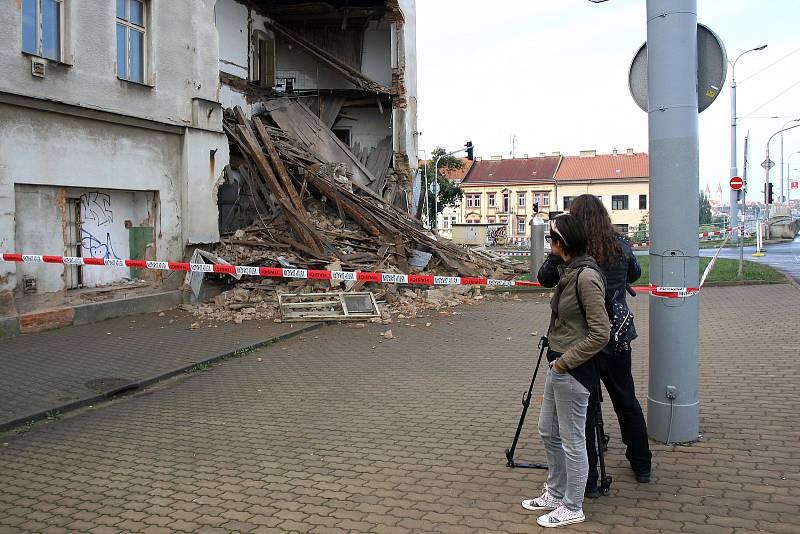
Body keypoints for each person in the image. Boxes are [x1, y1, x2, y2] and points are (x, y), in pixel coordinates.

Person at [538, 194, 653, 496]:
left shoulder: (574, 252)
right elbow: (636, 273)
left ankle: (586, 481)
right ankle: (641, 463)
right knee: (626, 400)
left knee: (582, 414)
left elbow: (544, 279)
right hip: (615, 336)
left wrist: (554, 253)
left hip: (581, 340)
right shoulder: (620, 245)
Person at [521, 214, 609, 528]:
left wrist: (564, 362)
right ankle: (555, 492)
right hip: (558, 364)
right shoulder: (569, 269)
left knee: (573, 440)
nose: (548, 245)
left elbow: (601, 333)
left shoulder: (586, 276)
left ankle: (573, 505)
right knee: (548, 430)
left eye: (551, 240)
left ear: (562, 243)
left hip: (573, 369)